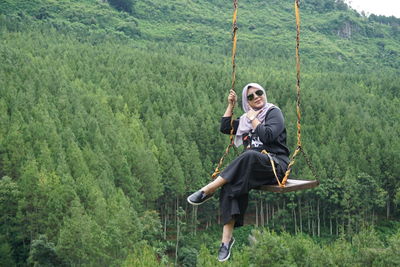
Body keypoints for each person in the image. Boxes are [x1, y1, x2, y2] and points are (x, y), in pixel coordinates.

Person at [187, 83, 290, 262]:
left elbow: (267, 136)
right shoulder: (244, 120)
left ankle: (208, 189)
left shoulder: (274, 113)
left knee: (249, 155)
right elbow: (225, 127)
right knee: (230, 185)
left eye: (259, 93)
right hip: (252, 169)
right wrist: (231, 105)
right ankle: (226, 242)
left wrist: (254, 118)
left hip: (274, 166)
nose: (256, 97)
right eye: (250, 97)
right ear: (246, 101)